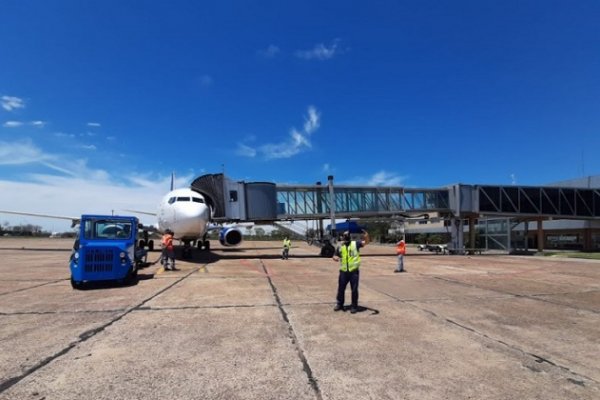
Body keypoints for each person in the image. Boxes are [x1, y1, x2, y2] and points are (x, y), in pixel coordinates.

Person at [332, 229, 370, 314]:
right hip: (343, 271)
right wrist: (335, 258)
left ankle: (354, 306)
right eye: (344, 235)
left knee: (354, 289)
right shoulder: (340, 246)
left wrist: (366, 236)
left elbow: (366, 242)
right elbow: (335, 255)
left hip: (354, 271)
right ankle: (339, 304)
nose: (346, 237)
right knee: (341, 289)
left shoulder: (355, 244)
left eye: (347, 235)